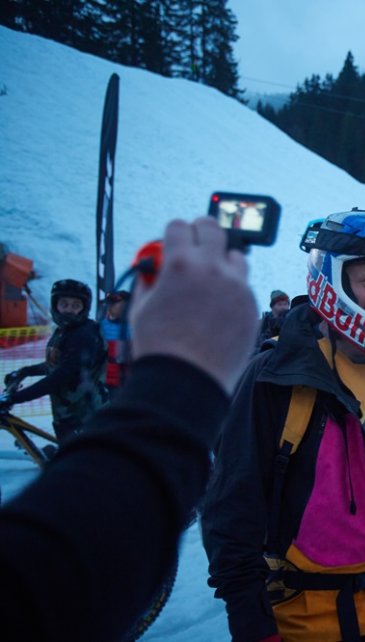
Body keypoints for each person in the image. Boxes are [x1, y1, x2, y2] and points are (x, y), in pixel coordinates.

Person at [202, 209, 365, 642]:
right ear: (333, 283)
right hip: (309, 624)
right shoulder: (275, 379)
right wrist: (251, 621)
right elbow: (232, 510)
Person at [0, 217, 258, 640]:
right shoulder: (90, 330)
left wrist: (172, 385)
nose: (67, 310)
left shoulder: (87, 334)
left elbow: (39, 577)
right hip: (115, 409)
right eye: (61, 304)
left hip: (103, 408)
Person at [2, 279, 108, 443]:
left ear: (84, 308)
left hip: (84, 415)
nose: (68, 310)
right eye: (64, 304)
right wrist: (26, 371)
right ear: (55, 305)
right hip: (68, 410)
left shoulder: (83, 336)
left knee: (81, 461)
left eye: (75, 306)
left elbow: (61, 376)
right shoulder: (65, 331)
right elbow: (56, 365)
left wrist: (15, 398)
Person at [99, 289, 131, 398]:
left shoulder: (137, 327)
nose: (110, 306)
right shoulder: (99, 327)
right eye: (109, 303)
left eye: (114, 303)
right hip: (103, 383)